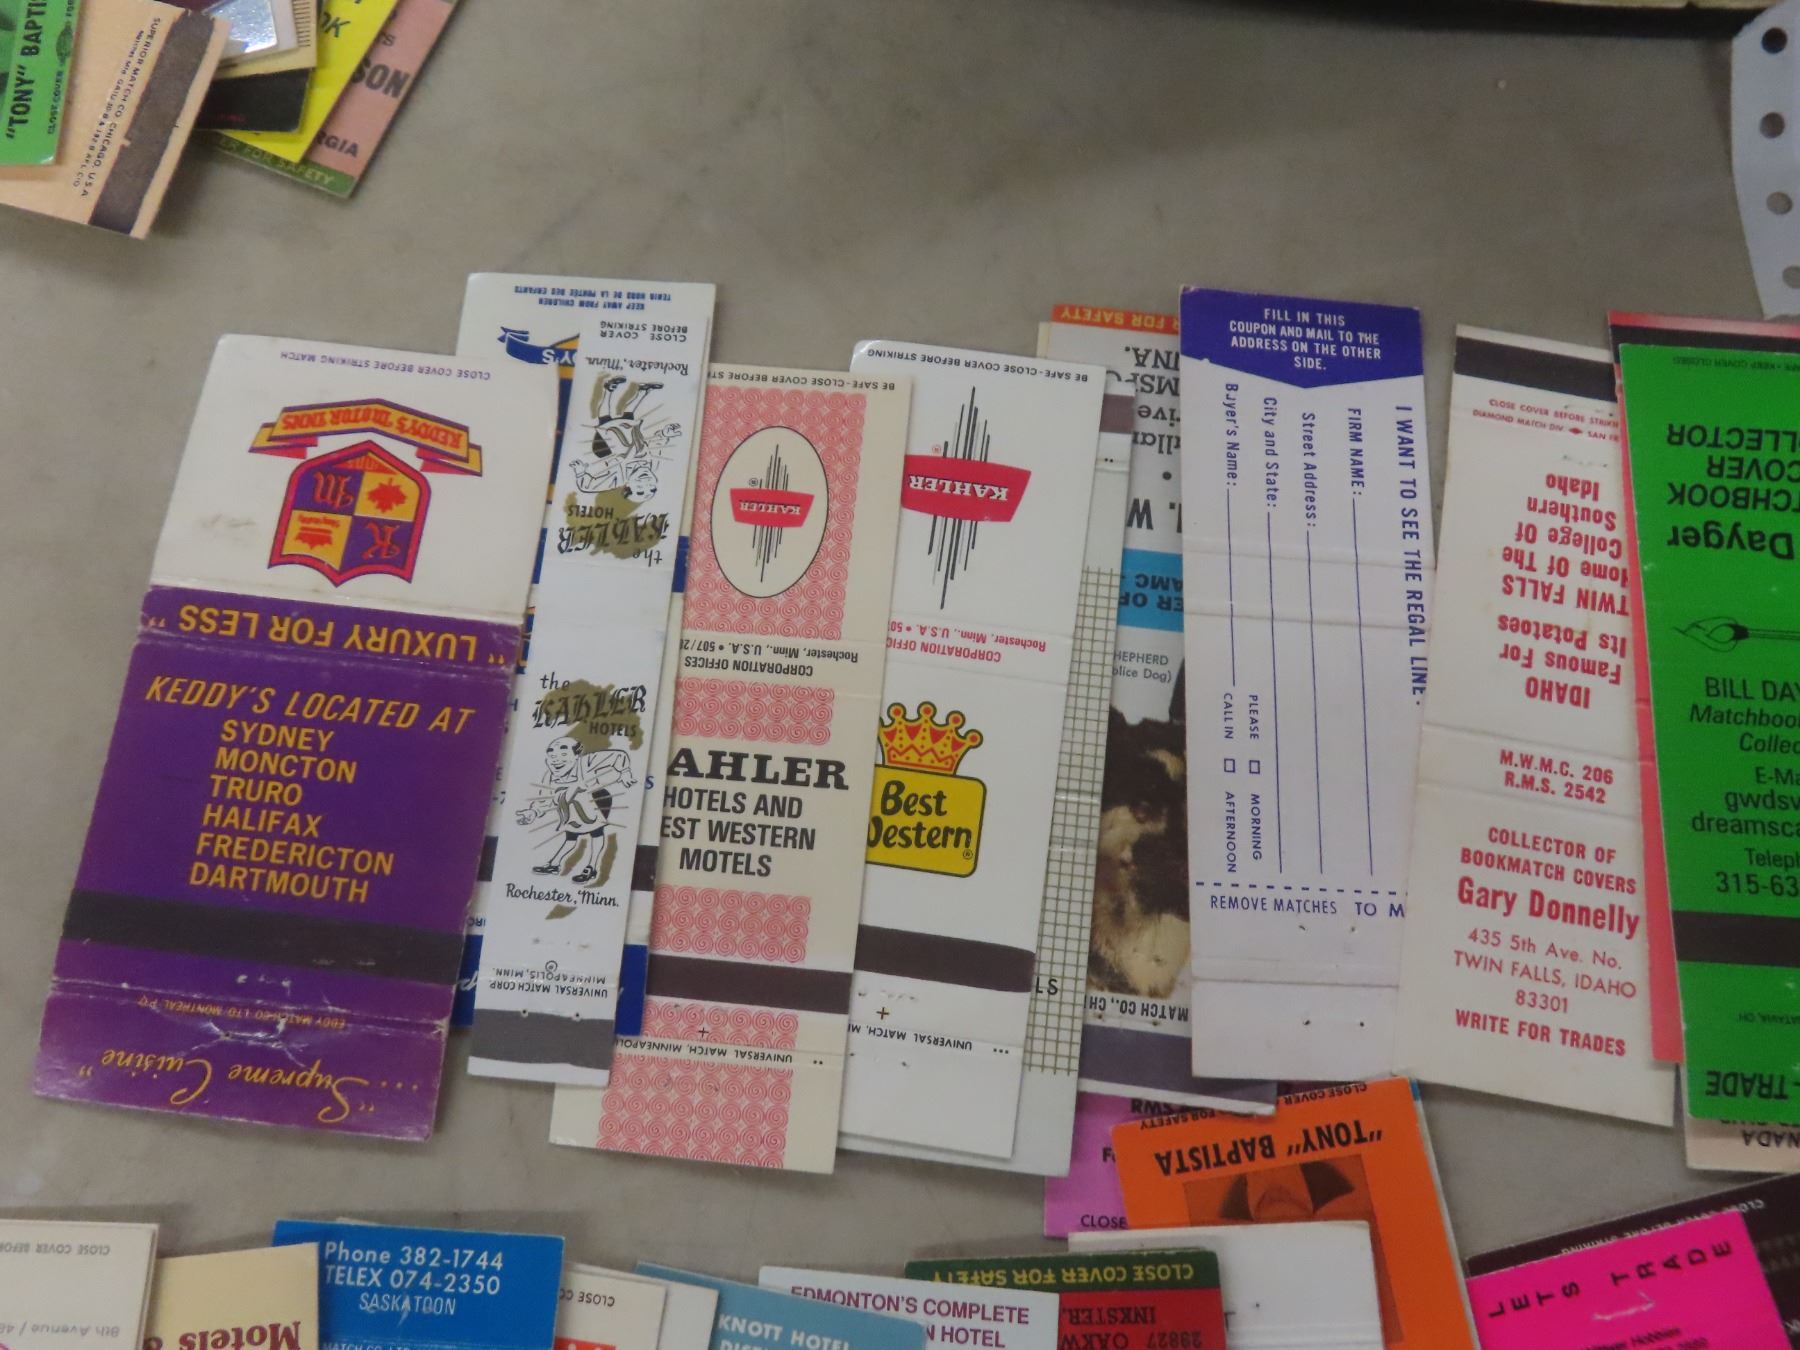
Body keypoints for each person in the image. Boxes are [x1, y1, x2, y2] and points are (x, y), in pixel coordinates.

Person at [516, 737, 635, 885]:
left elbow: (619, 755)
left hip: (595, 800)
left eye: (563, 754)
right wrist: (533, 812)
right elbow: (545, 799)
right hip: (571, 806)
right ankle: (554, 864)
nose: (556, 760)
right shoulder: (550, 776)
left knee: (596, 832)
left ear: (576, 755)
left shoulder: (586, 762)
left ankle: (591, 867)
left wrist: (625, 771)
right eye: (552, 756)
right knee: (571, 836)